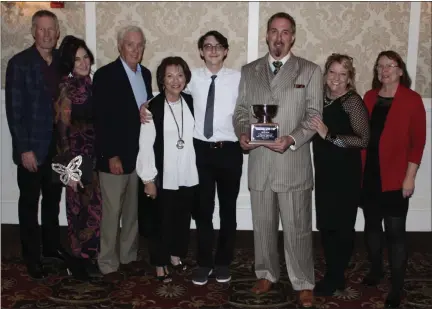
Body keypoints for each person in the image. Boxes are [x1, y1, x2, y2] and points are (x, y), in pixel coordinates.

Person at [233, 12, 322, 308]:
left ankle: (303, 281)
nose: (279, 37)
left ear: (293, 36)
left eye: (285, 32)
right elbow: (242, 112)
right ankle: (266, 273)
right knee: (263, 225)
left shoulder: (309, 71)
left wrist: (292, 139)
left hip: (292, 163)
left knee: (297, 227)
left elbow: (313, 117)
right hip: (259, 162)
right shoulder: (250, 71)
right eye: (274, 31)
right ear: (267, 35)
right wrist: (243, 133)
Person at [140, 30, 243, 285]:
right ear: (200, 51)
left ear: (226, 51)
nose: (213, 50)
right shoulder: (192, 79)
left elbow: (249, 108)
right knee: (203, 212)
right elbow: (165, 95)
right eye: (207, 46)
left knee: (229, 211)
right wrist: (145, 106)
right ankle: (204, 262)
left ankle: (223, 262)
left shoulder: (239, 78)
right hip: (202, 153)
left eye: (219, 46)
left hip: (230, 150)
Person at [361, 50, 426, 308]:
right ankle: (376, 270)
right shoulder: (368, 97)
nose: (384, 70)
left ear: (400, 70)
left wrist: (409, 178)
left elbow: (417, 143)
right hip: (369, 175)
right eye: (380, 66)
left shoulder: (412, 100)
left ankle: (397, 287)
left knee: (396, 233)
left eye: (390, 65)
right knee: (372, 226)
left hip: (396, 178)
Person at [5, 10, 65, 280]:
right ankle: (32, 257)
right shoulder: (19, 63)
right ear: (33, 31)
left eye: (51, 29)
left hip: (59, 146)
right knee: (30, 203)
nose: (47, 34)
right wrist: (23, 149)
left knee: (53, 201)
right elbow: (14, 111)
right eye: (42, 29)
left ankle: (52, 248)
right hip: (32, 147)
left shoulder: (62, 62)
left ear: (58, 32)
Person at [93, 25, 153, 277]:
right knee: (111, 213)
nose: (135, 50)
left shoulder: (146, 74)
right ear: (120, 46)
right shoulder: (105, 75)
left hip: (138, 155)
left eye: (140, 45)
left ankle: (128, 256)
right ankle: (107, 262)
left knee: (131, 212)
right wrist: (110, 155)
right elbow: (101, 119)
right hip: (114, 157)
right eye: (130, 44)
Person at [310, 53, 369, 296]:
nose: (336, 78)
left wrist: (329, 135)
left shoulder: (352, 101)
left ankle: (335, 276)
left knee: (342, 226)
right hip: (325, 172)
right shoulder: (320, 99)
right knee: (326, 224)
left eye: (342, 74)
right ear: (325, 75)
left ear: (349, 78)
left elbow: (363, 139)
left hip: (345, 174)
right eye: (332, 72)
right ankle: (335, 271)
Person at [136, 56, 197, 283]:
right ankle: (160, 264)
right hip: (164, 173)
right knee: (161, 221)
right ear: (162, 80)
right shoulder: (152, 107)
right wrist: (148, 179)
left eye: (180, 75)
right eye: (169, 76)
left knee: (182, 218)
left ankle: (175, 256)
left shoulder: (192, 103)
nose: (175, 80)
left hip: (188, 172)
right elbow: (145, 145)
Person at [54, 35, 102, 277]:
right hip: (76, 160)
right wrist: (68, 172)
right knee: (78, 212)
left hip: (95, 157)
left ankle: (88, 257)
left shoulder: (92, 83)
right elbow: (61, 131)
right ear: (69, 64)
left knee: (94, 210)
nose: (83, 63)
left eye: (85, 57)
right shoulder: (67, 87)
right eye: (77, 59)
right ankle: (78, 261)